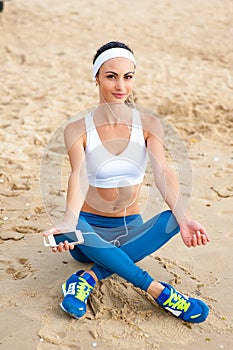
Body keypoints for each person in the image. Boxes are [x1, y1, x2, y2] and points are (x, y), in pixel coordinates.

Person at [43, 41, 210, 323]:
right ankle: (159, 291)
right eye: (111, 76)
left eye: (128, 76)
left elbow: (162, 171)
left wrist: (186, 218)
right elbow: (78, 175)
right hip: (88, 230)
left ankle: (87, 278)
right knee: (70, 229)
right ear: (96, 78)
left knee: (172, 218)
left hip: (129, 227)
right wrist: (71, 220)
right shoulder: (76, 129)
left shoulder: (149, 125)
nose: (120, 85)